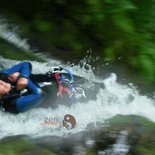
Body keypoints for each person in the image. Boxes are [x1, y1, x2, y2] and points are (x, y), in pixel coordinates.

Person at [0, 61, 74, 114]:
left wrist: (24, 76)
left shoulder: (3, 76)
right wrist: (23, 78)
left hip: (54, 78)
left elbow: (26, 64)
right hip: (59, 96)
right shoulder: (12, 105)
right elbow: (40, 94)